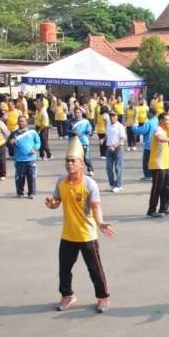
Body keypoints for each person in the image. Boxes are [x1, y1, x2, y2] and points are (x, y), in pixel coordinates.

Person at [45, 138, 115, 313]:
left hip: (86, 235)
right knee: (64, 269)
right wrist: (52, 204)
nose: (69, 164)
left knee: (95, 269)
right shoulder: (61, 181)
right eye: (67, 161)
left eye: (73, 161)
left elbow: (96, 206)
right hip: (68, 234)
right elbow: (56, 202)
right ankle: (67, 296)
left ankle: (103, 298)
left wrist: (100, 222)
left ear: (81, 163)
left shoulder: (89, 184)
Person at [147, 113, 169, 218]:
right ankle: (151, 210)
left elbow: (160, 147)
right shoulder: (158, 129)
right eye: (167, 120)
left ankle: (164, 208)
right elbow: (159, 138)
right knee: (157, 188)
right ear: (161, 121)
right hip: (157, 165)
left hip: (165, 164)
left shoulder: (164, 131)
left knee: (166, 187)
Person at [9, 115, 40, 199]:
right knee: (19, 177)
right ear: (17, 122)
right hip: (19, 160)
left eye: (22, 121)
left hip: (31, 159)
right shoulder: (14, 133)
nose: (21, 123)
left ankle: (31, 193)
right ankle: (20, 193)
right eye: (19, 121)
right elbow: (8, 144)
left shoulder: (32, 132)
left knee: (31, 177)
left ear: (26, 122)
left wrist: (35, 148)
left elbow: (38, 142)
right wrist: (11, 142)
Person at [131, 108, 158, 181]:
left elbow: (142, 130)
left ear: (151, 113)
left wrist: (133, 127)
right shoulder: (158, 121)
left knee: (146, 161)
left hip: (149, 145)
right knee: (154, 161)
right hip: (157, 145)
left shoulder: (149, 123)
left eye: (148, 112)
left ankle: (148, 175)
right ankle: (154, 175)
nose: (147, 114)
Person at [102, 111, 125, 193]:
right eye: (111, 116)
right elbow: (107, 135)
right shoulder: (108, 125)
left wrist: (114, 146)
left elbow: (122, 138)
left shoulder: (120, 126)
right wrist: (103, 139)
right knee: (108, 167)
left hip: (118, 148)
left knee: (118, 168)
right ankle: (112, 184)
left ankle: (119, 185)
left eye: (113, 116)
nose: (112, 117)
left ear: (117, 117)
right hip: (109, 148)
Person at [70, 108, 94, 176]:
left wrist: (88, 130)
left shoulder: (86, 121)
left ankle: (90, 170)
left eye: (78, 112)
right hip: (75, 142)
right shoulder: (71, 122)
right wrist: (73, 132)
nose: (77, 114)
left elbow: (90, 131)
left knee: (86, 157)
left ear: (81, 113)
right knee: (76, 158)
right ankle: (77, 171)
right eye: (76, 113)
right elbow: (67, 131)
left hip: (84, 141)